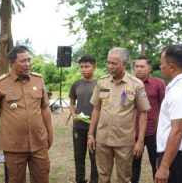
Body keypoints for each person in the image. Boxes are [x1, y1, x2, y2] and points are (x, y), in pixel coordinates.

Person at [0, 45, 53, 183]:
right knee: (15, 179)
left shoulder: (38, 80)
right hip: (14, 146)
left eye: (29, 60)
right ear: (11, 63)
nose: (27, 64)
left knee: (42, 177)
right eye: (23, 61)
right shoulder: (0, 84)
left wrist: (50, 132)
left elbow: (45, 108)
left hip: (38, 142)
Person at [87, 47, 150, 183]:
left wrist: (140, 141)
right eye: (108, 63)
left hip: (124, 142)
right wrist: (91, 135)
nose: (110, 66)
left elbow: (143, 113)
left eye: (114, 64)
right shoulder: (101, 82)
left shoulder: (136, 85)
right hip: (103, 140)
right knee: (103, 177)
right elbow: (96, 109)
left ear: (124, 64)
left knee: (124, 178)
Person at [155, 45, 182, 183]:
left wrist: (164, 166)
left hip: (178, 158)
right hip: (177, 155)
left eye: (162, 63)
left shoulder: (179, 90)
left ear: (171, 66)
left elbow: (178, 130)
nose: (160, 66)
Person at [132, 56, 165, 183]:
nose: (138, 69)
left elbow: (165, 107)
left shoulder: (158, 84)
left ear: (149, 68)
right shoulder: (130, 84)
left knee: (156, 165)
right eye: (137, 66)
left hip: (154, 132)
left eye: (142, 66)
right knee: (133, 166)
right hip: (133, 131)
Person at [68, 55, 98, 183]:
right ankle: (80, 180)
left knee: (94, 157)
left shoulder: (100, 84)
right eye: (81, 67)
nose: (84, 69)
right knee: (79, 156)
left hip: (95, 127)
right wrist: (74, 115)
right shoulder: (76, 84)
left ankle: (94, 180)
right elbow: (71, 103)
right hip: (79, 126)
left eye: (87, 66)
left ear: (94, 67)